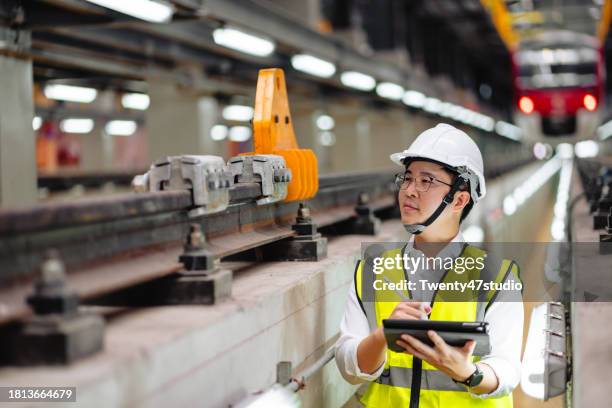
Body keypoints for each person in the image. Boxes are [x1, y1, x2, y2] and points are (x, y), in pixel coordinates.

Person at [335, 123, 523, 407]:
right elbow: (349, 365)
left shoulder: (497, 277)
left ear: (460, 199)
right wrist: (383, 335)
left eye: (427, 181)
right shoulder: (371, 271)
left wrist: (467, 373)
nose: (409, 191)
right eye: (407, 179)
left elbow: (508, 369)